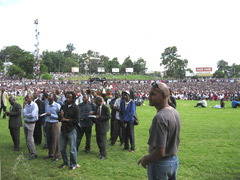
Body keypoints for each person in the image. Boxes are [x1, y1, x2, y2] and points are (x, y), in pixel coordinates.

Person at [138, 82, 181, 180]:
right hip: (173, 161)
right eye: (149, 94)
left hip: (161, 164)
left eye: (153, 94)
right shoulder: (174, 112)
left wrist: (146, 158)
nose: (149, 97)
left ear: (164, 95)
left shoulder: (160, 117)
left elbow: (160, 151)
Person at [58, 91, 80, 170]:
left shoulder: (76, 108)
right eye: (66, 97)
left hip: (71, 130)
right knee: (62, 148)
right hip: (63, 129)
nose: (67, 99)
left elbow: (77, 121)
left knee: (72, 149)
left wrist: (66, 120)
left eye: (69, 98)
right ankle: (65, 162)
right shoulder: (63, 106)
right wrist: (60, 116)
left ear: (73, 98)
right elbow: (60, 119)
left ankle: (73, 164)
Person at [44, 93, 61, 161]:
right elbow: (46, 115)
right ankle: (51, 153)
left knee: (55, 140)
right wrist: (45, 124)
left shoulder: (57, 106)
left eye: (49, 96)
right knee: (49, 139)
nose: (48, 97)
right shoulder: (47, 105)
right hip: (48, 123)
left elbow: (59, 117)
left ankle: (57, 155)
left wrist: (51, 115)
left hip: (54, 124)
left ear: (53, 98)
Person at [22, 94, 39, 160]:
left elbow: (33, 115)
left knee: (30, 139)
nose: (26, 99)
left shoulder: (34, 105)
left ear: (31, 98)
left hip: (31, 123)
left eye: (28, 97)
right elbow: (23, 113)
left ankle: (34, 153)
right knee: (27, 138)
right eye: (26, 97)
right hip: (26, 122)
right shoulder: (26, 105)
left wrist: (26, 114)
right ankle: (30, 152)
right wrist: (26, 114)